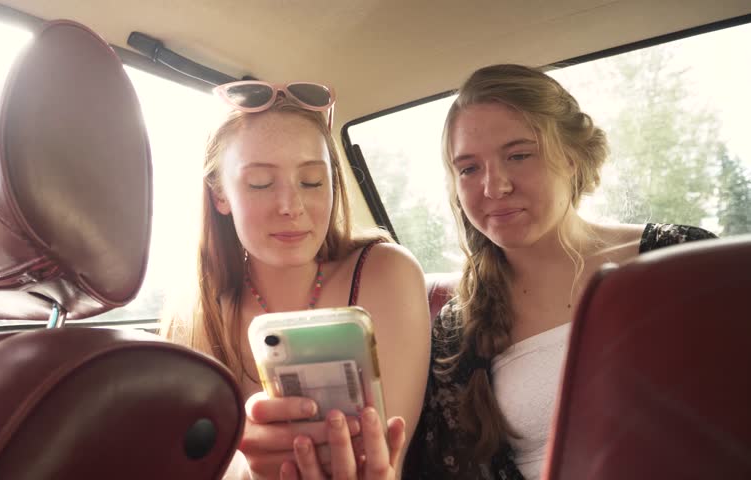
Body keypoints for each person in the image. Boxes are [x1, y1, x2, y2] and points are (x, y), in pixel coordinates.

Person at [402, 64, 717, 480]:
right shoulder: (456, 332)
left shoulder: (683, 259)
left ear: (571, 158)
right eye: (469, 168)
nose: (494, 187)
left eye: (518, 155)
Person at [161, 81, 431, 479]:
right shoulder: (196, 314)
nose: (291, 206)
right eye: (260, 184)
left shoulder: (385, 273)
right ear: (220, 194)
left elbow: (389, 458)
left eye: (311, 182)